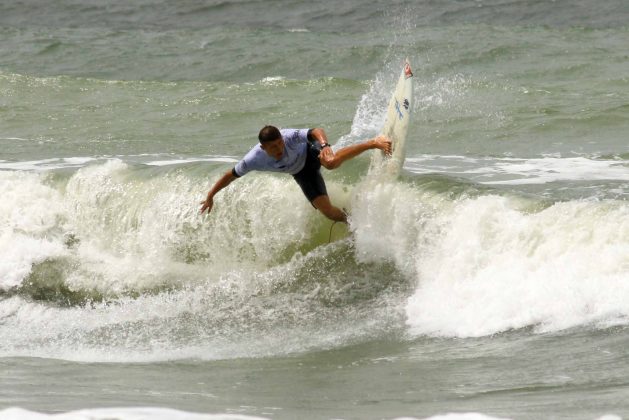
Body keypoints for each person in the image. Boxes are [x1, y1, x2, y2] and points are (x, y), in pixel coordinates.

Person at [200, 125, 391, 223]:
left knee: (330, 163)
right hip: (300, 173)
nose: (278, 149)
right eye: (272, 147)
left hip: (310, 152)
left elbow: (316, 131)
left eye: (279, 144)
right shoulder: (253, 159)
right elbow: (230, 175)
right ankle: (353, 222)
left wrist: (324, 146)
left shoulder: (289, 137)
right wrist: (210, 195)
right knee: (328, 212)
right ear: (262, 148)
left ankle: (373, 142)